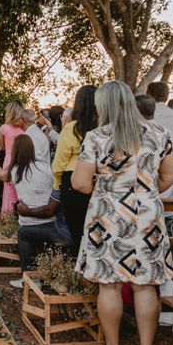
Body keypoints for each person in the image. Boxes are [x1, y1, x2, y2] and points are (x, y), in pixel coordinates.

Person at [72, 80, 173, 345]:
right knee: (145, 287)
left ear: (103, 106)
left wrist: (107, 187)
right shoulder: (159, 133)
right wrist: (146, 191)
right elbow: (170, 175)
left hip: (108, 217)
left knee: (109, 284)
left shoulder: (97, 136)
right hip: (147, 217)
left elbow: (80, 183)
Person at [0, 135, 69, 289]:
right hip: (54, 224)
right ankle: (48, 273)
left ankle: (30, 278)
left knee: (23, 233)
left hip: (31, 225)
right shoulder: (47, 168)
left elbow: (1, 175)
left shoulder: (15, 171)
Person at [51, 85, 98, 253]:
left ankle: (81, 268)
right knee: (96, 231)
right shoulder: (103, 127)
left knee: (78, 231)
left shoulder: (72, 128)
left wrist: (57, 185)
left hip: (72, 181)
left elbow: (59, 163)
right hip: (97, 180)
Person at [136, 94, 173, 235]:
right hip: (164, 198)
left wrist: (147, 191)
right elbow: (172, 174)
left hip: (138, 201)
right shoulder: (171, 134)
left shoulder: (136, 135)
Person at [0, 100, 25, 214]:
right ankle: (22, 213)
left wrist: (0, 147)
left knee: (8, 189)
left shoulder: (3, 128)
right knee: (22, 186)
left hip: (9, 159)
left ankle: (8, 216)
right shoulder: (24, 128)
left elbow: (2, 147)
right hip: (22, 159)